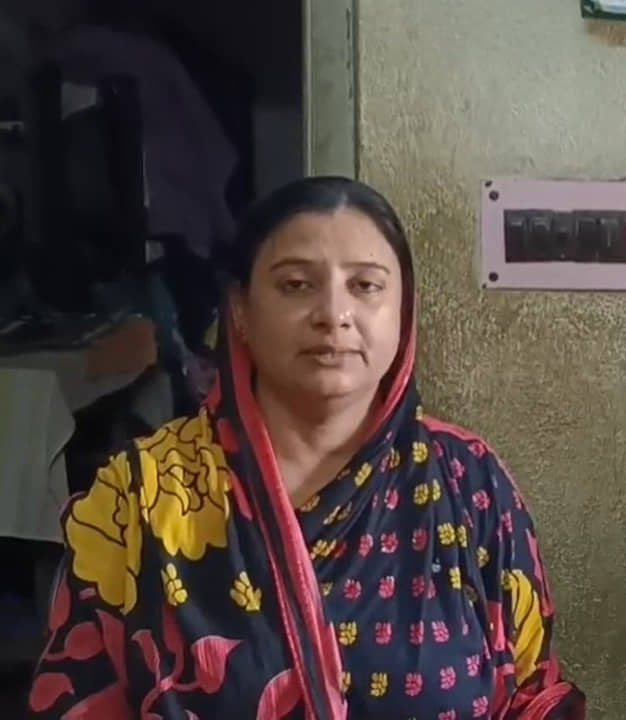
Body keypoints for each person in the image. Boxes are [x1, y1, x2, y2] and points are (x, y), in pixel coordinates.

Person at [28, 176, 586, 719]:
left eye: (365, 286)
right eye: (296, 285)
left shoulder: (468, 482)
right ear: (240, 311)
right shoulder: (140, 495)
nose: (333, 315)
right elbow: (79, 698)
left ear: (404, 310)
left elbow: (533, 695)